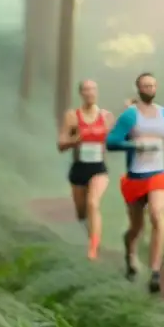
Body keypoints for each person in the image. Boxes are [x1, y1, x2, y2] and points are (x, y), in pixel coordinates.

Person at [105, 72, 164, 293]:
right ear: (138, 88)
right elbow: (111, 142)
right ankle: (130, 256)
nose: (150, 89)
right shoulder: (130, 116)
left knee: (157, 215)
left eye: (153, 85)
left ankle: (155, 272)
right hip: (136, 176)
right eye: (146, 85)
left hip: (158, 175)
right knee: (136, 228)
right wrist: (135, 146)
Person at [56, 79, 112, 260]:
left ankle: (93, 249)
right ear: (81, 93)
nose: (90, 93)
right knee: (81, 213)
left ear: (97, 92)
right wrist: (75, 141)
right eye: (86, 90)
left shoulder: (106, 116)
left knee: (93, 203)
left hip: (99, 168)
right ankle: (91, 236)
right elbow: (61, 144)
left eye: (93, 89)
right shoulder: (72, 116)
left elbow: (115, 140)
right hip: (79, 168)